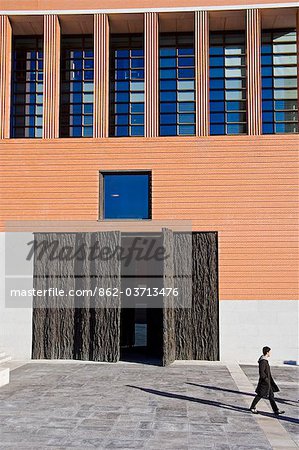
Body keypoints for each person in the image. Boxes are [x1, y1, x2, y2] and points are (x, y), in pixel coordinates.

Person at [250, 346, 285, 415]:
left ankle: (276, 410)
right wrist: (266, 380)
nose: (270, 353)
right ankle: (252, 407)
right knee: (260, 395)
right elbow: (262, 372)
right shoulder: (263, 361)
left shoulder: (265, 360)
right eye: (269, 352)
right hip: (264, 382)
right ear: (267, 352)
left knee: (271, 396)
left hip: (268, 382)